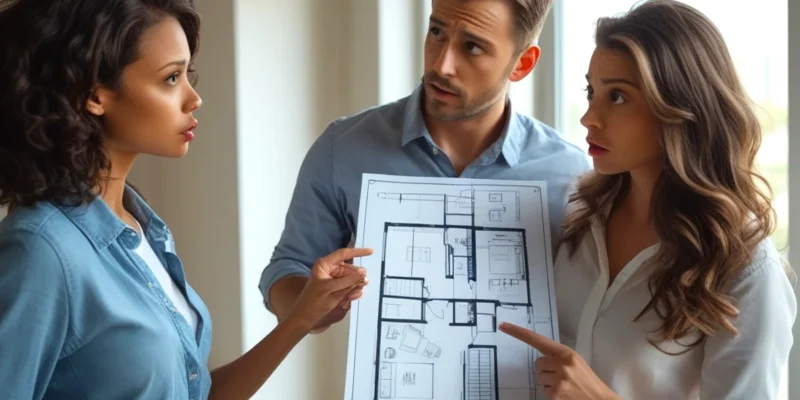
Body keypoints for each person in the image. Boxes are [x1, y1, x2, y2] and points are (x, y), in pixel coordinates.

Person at [0, 1, 371, 399]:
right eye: (171, 78)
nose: (194, 99)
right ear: (95, 95)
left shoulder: (141, 228)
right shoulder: (39, 250)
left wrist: (300, 318)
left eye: (187, 74)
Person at [499, 1, 797, 399]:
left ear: (679, 107)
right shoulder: (576, 216)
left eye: (618, 97)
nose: (589, 117)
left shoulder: (745, 268)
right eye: (592, 91)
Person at [259, 0, 590, 332]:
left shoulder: (571, 174)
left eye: (472, 47)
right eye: (436, 32)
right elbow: (287, 268)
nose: (442, 65)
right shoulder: (343, 148)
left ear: (522, 63)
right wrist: (311, 305)